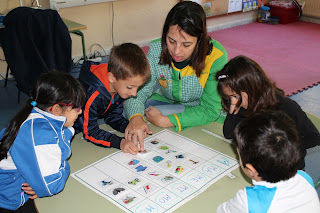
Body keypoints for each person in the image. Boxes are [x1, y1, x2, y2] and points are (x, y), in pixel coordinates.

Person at [124, 1, 228, 148]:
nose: (176, 51)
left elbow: (210, 109)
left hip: (198, 107)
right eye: (171, 41)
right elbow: (137, 91)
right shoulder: (156, 50)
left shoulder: (216, 56)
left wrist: (167, 121)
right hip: (164, 101)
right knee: (129, 111)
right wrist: (135, 117)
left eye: (186, 45)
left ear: (199, 40)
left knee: (156, 115)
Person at [0, 72, 86, 212]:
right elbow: (51, 185)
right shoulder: (40, 134)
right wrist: (65, 168)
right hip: (7, 198)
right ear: (56, 109)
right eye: (76, 108)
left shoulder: (41, 116)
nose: (80, 112)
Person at [215, 55, 320, 170]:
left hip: (287, 169)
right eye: (229, 98)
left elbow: (314, 137)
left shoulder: (286, 107)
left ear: (252, 87)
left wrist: (282, 150)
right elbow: (229, 134)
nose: (233, 101)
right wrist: (232, 111)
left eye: (235, 96)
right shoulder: (242, 106)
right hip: (260, 167)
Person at [217, 111, 320, 213]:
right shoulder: (304, 177)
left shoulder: (248, 200)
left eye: (238, 155)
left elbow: (222, 210)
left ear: (251, 170)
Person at [75, 43, 151, 155]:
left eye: (137, 88)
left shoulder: (119, 87)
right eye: (130, 87)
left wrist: (128, 128)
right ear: (111, 77)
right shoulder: (91, 95)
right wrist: (119, 142)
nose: (134, 93)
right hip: (69, 128)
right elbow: (89, 132)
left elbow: (112, 116)